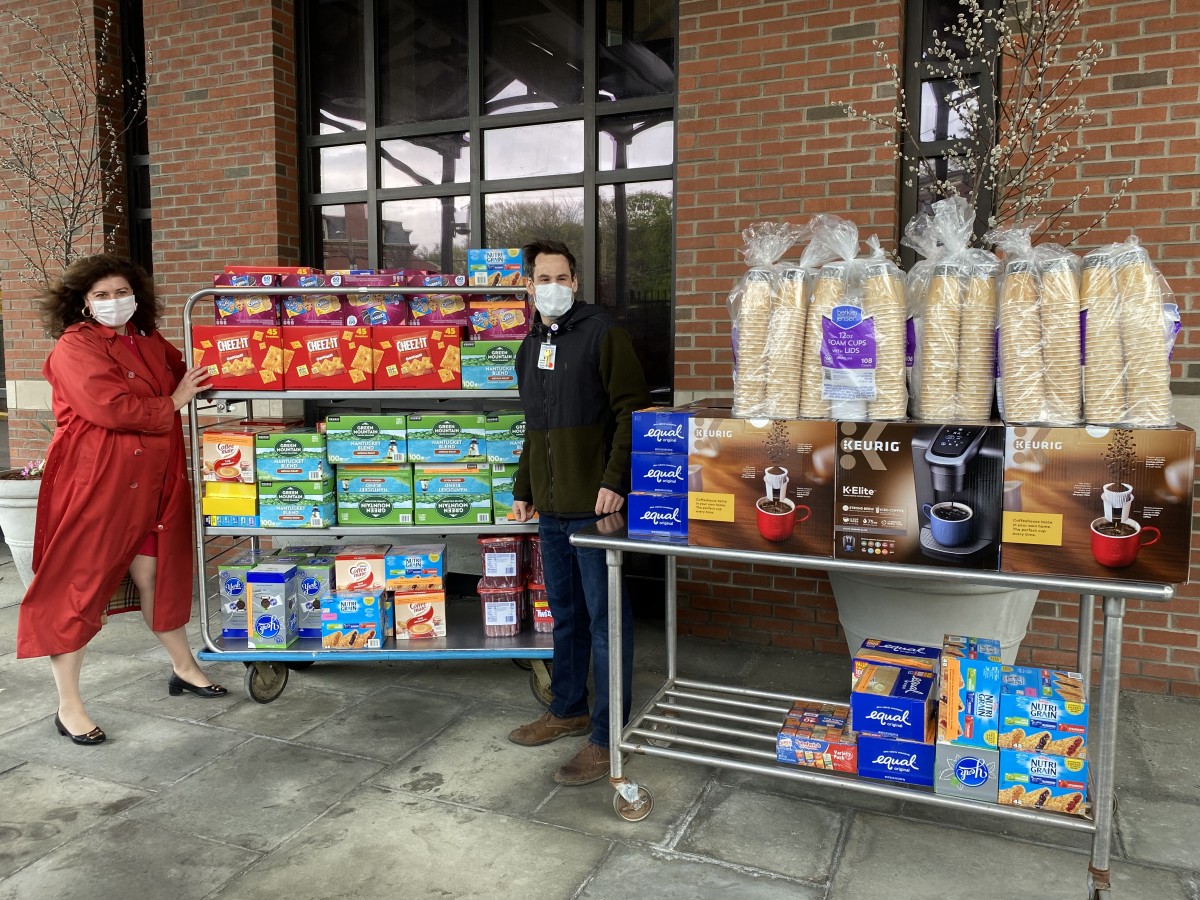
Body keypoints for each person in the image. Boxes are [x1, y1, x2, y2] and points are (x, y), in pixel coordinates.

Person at [17, 255, 225, 746]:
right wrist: (174, 401)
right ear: (83, 303)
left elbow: (191, 371)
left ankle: (184, 666)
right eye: (102, 295)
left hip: (156, 479)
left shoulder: (146, 339)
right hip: (100, 483)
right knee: (79, 586)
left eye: (121, 292)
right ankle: (68, 706)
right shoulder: (74, 347)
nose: (114, 302)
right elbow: (110, 408)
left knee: (155, 574)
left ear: (137, 295)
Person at [507, 239, 651, 786]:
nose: (554, 285)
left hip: (597, 507)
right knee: (566, 615)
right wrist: (525, 486)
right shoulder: (530, 346)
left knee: (606, 621)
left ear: (575, 282)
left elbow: (631, 412)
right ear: (528, 284)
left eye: (563, 276)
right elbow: (534, 429)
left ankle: (607, 735)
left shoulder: (602, 333)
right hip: (551, 508)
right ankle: (568, 709)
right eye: (544, 276)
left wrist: (616, 481)